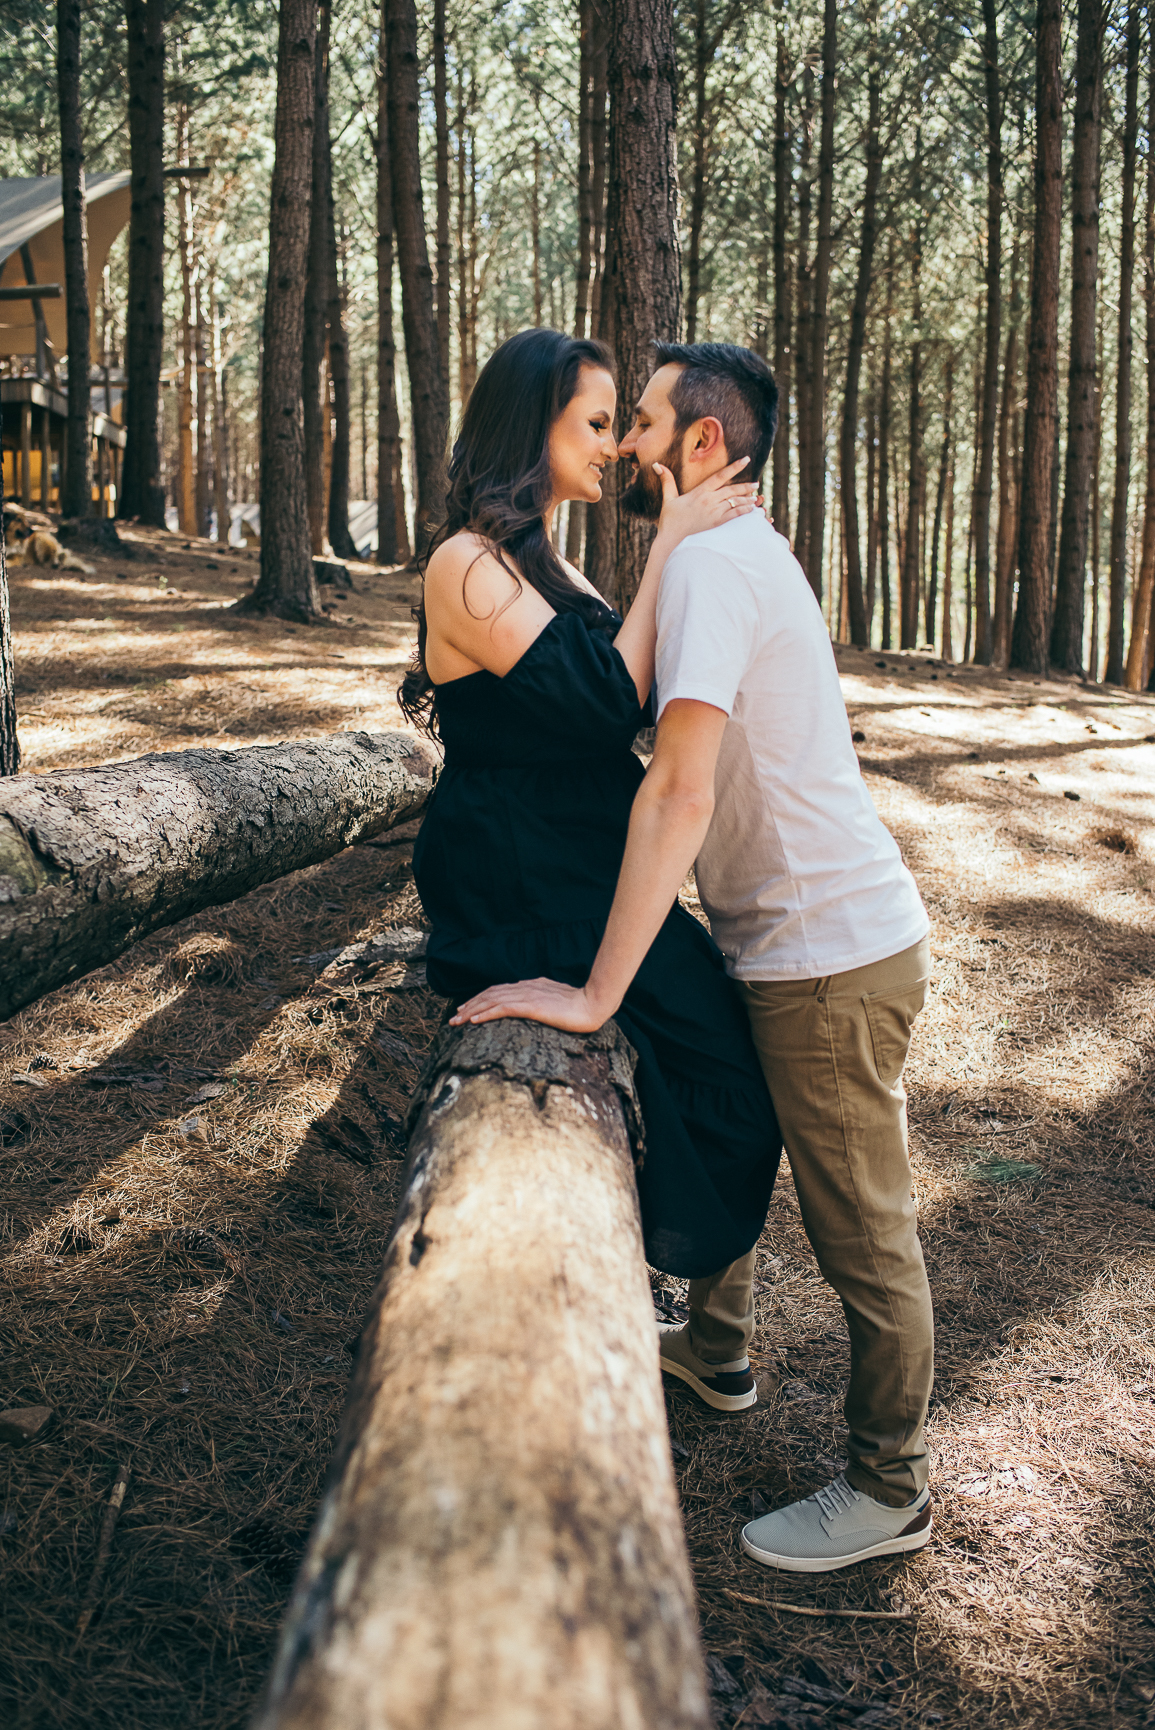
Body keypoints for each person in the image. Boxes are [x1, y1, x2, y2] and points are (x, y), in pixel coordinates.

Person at [452, 341, 936, 1575]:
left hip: (829, 950)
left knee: (864, 1234)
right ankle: (716, 1346)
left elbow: (676, 788)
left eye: (642, 419)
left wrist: (598, 989)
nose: (624, 441)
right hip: (789, 936)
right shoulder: (716, 551)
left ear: (702, 444)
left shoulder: (717, 563)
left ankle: (890, 1486)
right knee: (733, 1096)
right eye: (604, 419)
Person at [401, 327, 782, 1315]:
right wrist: (671, 542)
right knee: (722, 1070)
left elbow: (639, 691)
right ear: (535, 424)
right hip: (523, 874)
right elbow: (609, 700)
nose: (615, 446)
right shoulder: (465, 562)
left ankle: (650, 1274)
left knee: (731, 1070)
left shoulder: (551, 567)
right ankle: (607, 1272)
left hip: (583, 862)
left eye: (619, 424)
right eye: (598, 423)